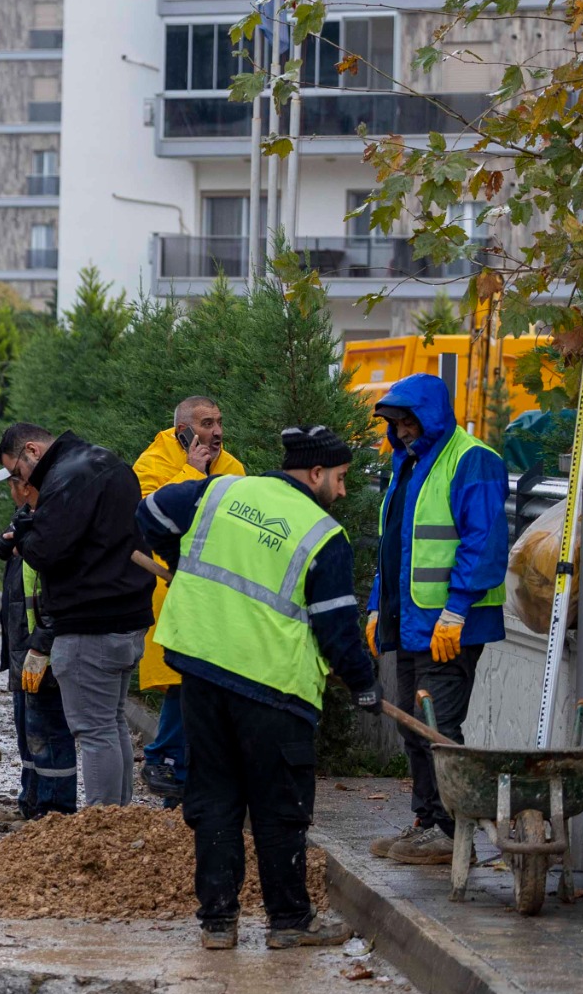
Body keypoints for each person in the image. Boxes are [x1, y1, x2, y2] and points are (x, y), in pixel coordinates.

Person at [140, 426, 379, 950]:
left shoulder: (222, 491)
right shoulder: (322, 535)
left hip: (202, 675)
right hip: (274, 689)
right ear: (315, 474)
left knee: (215, 798)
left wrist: (179, 561)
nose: (341, 492)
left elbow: (150, 514)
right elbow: (337, 629)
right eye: (339, 479)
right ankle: (290, 921)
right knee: (280, 806)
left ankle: (218, 925)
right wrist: (364, 684)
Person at [363, 374, 508, 867]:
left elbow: (483, 543)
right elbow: (395, 548)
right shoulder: (409, 466)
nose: (401, 431)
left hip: (450, 626)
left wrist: (456, 610)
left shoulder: (472, 461)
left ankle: (451, 831)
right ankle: (427, 821)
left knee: (438, 727)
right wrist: (376, 605)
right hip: (410, 624)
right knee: (413, 724)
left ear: (430, 416)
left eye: (408, 421)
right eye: (395, 424)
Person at [0, 421, 159, 809]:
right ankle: (118, 820)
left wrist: (22, 535)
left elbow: (47, 551)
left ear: (32, 451)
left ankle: (102, 824)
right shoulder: (103, 461)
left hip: (91, 623)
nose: (22, 485)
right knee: (113, 722)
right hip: (124, 616)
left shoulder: (66, 478)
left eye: (18, 473)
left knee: (95, 730)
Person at [133, 396, 247, 801]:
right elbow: (151, 516)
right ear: (182, 429)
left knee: (201, 689)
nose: (215, 432)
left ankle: (178, 784)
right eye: (205, 423)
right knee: (186, 682)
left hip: (216, 596)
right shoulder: (152, 463)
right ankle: (164, 760)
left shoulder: (233, 468)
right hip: (174, 595)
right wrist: (192, 472)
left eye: (218, 422)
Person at [0, 459, 78, 818]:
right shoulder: (27, 522)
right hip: (23, 648)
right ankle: (32, 804)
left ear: (26, 486)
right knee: (29, 733)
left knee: (49, 734)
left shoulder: (49, 530)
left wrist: (42, 642)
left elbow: (56, 596)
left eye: (13, 483)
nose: (11, 492)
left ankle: (53, 813)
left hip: (40, 648)